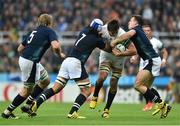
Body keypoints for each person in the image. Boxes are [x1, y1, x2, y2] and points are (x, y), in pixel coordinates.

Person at [30, 19, 111, 119]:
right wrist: (110, 40)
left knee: (55, 88)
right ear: (99, 29)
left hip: (67, 61)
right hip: (76, 62)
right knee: (86, 91)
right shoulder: (96, 39)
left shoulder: (84, 30)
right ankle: (73, 112)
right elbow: (108, 49)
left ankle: (36, 103)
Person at [1, 13, 64, 119]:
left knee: (45, 80)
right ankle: (7, 112)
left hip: (28, 60)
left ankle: (28, 104)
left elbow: (20, 49)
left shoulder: (34, 31)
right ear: (49, 23)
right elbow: (56, 46)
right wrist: (59, 54)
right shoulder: (49, 31)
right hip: (31, 62)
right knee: (26, 90)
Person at [111, 15, 171, 118]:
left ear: (136, 23)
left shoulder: (136, 29)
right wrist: (120, 53)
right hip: (153, 60)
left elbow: (126, 36)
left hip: (151, 60)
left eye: (131, 20)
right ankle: (163, 105)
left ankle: (161, 104)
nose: (129, 22)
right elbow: (133, 50)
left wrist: (115, 41)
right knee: (146, 87)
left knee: (137, 85)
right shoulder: (136, 33)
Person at [89, 19, 136, 118]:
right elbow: (93, 38)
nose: (111, 35)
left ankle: (106, 110)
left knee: (113, 83)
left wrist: (120, 53)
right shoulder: (103, 29)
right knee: (102, 77)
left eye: (113, 33)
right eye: (110, 33)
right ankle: (95, 96)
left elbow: (133, 51)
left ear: (117, 30)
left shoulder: (123, 35)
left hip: (119, 60)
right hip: (106, 57)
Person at [130, 24, 168, 111]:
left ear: (151, 32)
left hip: (152, 65)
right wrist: (134, 57)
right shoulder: (140, 41)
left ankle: (152, 103)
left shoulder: (156, 42)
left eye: (148, 30)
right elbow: (137, 52)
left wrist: (164, 60)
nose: (146, 32)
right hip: (143, 65)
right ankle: (158, 104)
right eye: (145, 31)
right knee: (146, 87)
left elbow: (164, 51)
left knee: (140, 85)